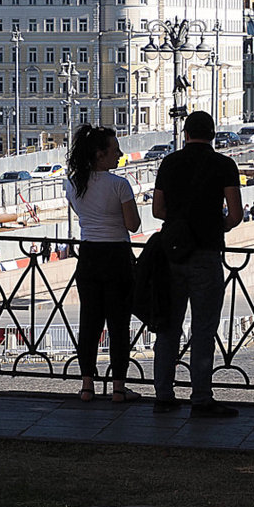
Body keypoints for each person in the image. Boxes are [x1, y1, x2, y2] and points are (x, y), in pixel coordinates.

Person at [152, 111, 243, 418]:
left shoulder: (169, 163)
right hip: (206, 255)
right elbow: (235, 215)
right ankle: (201, 398)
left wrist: (181, 224)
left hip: (172, 256)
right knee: (203, 329)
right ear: (213, 135)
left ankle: (163, 395)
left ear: (186, 134)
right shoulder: (224, 165)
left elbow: (157, 209)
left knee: (168, 327)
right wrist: (214, 226)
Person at [65, 124, 142, 403]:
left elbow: (84, 215)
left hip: (88, 257)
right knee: (118, 325)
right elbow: (133, 225)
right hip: (117, 257)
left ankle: (87, 386)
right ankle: (118, 389)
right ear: (100, 154)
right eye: (115, 149)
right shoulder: (119, 185)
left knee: (90, 323)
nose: (120, 154)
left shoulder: (72, 184)